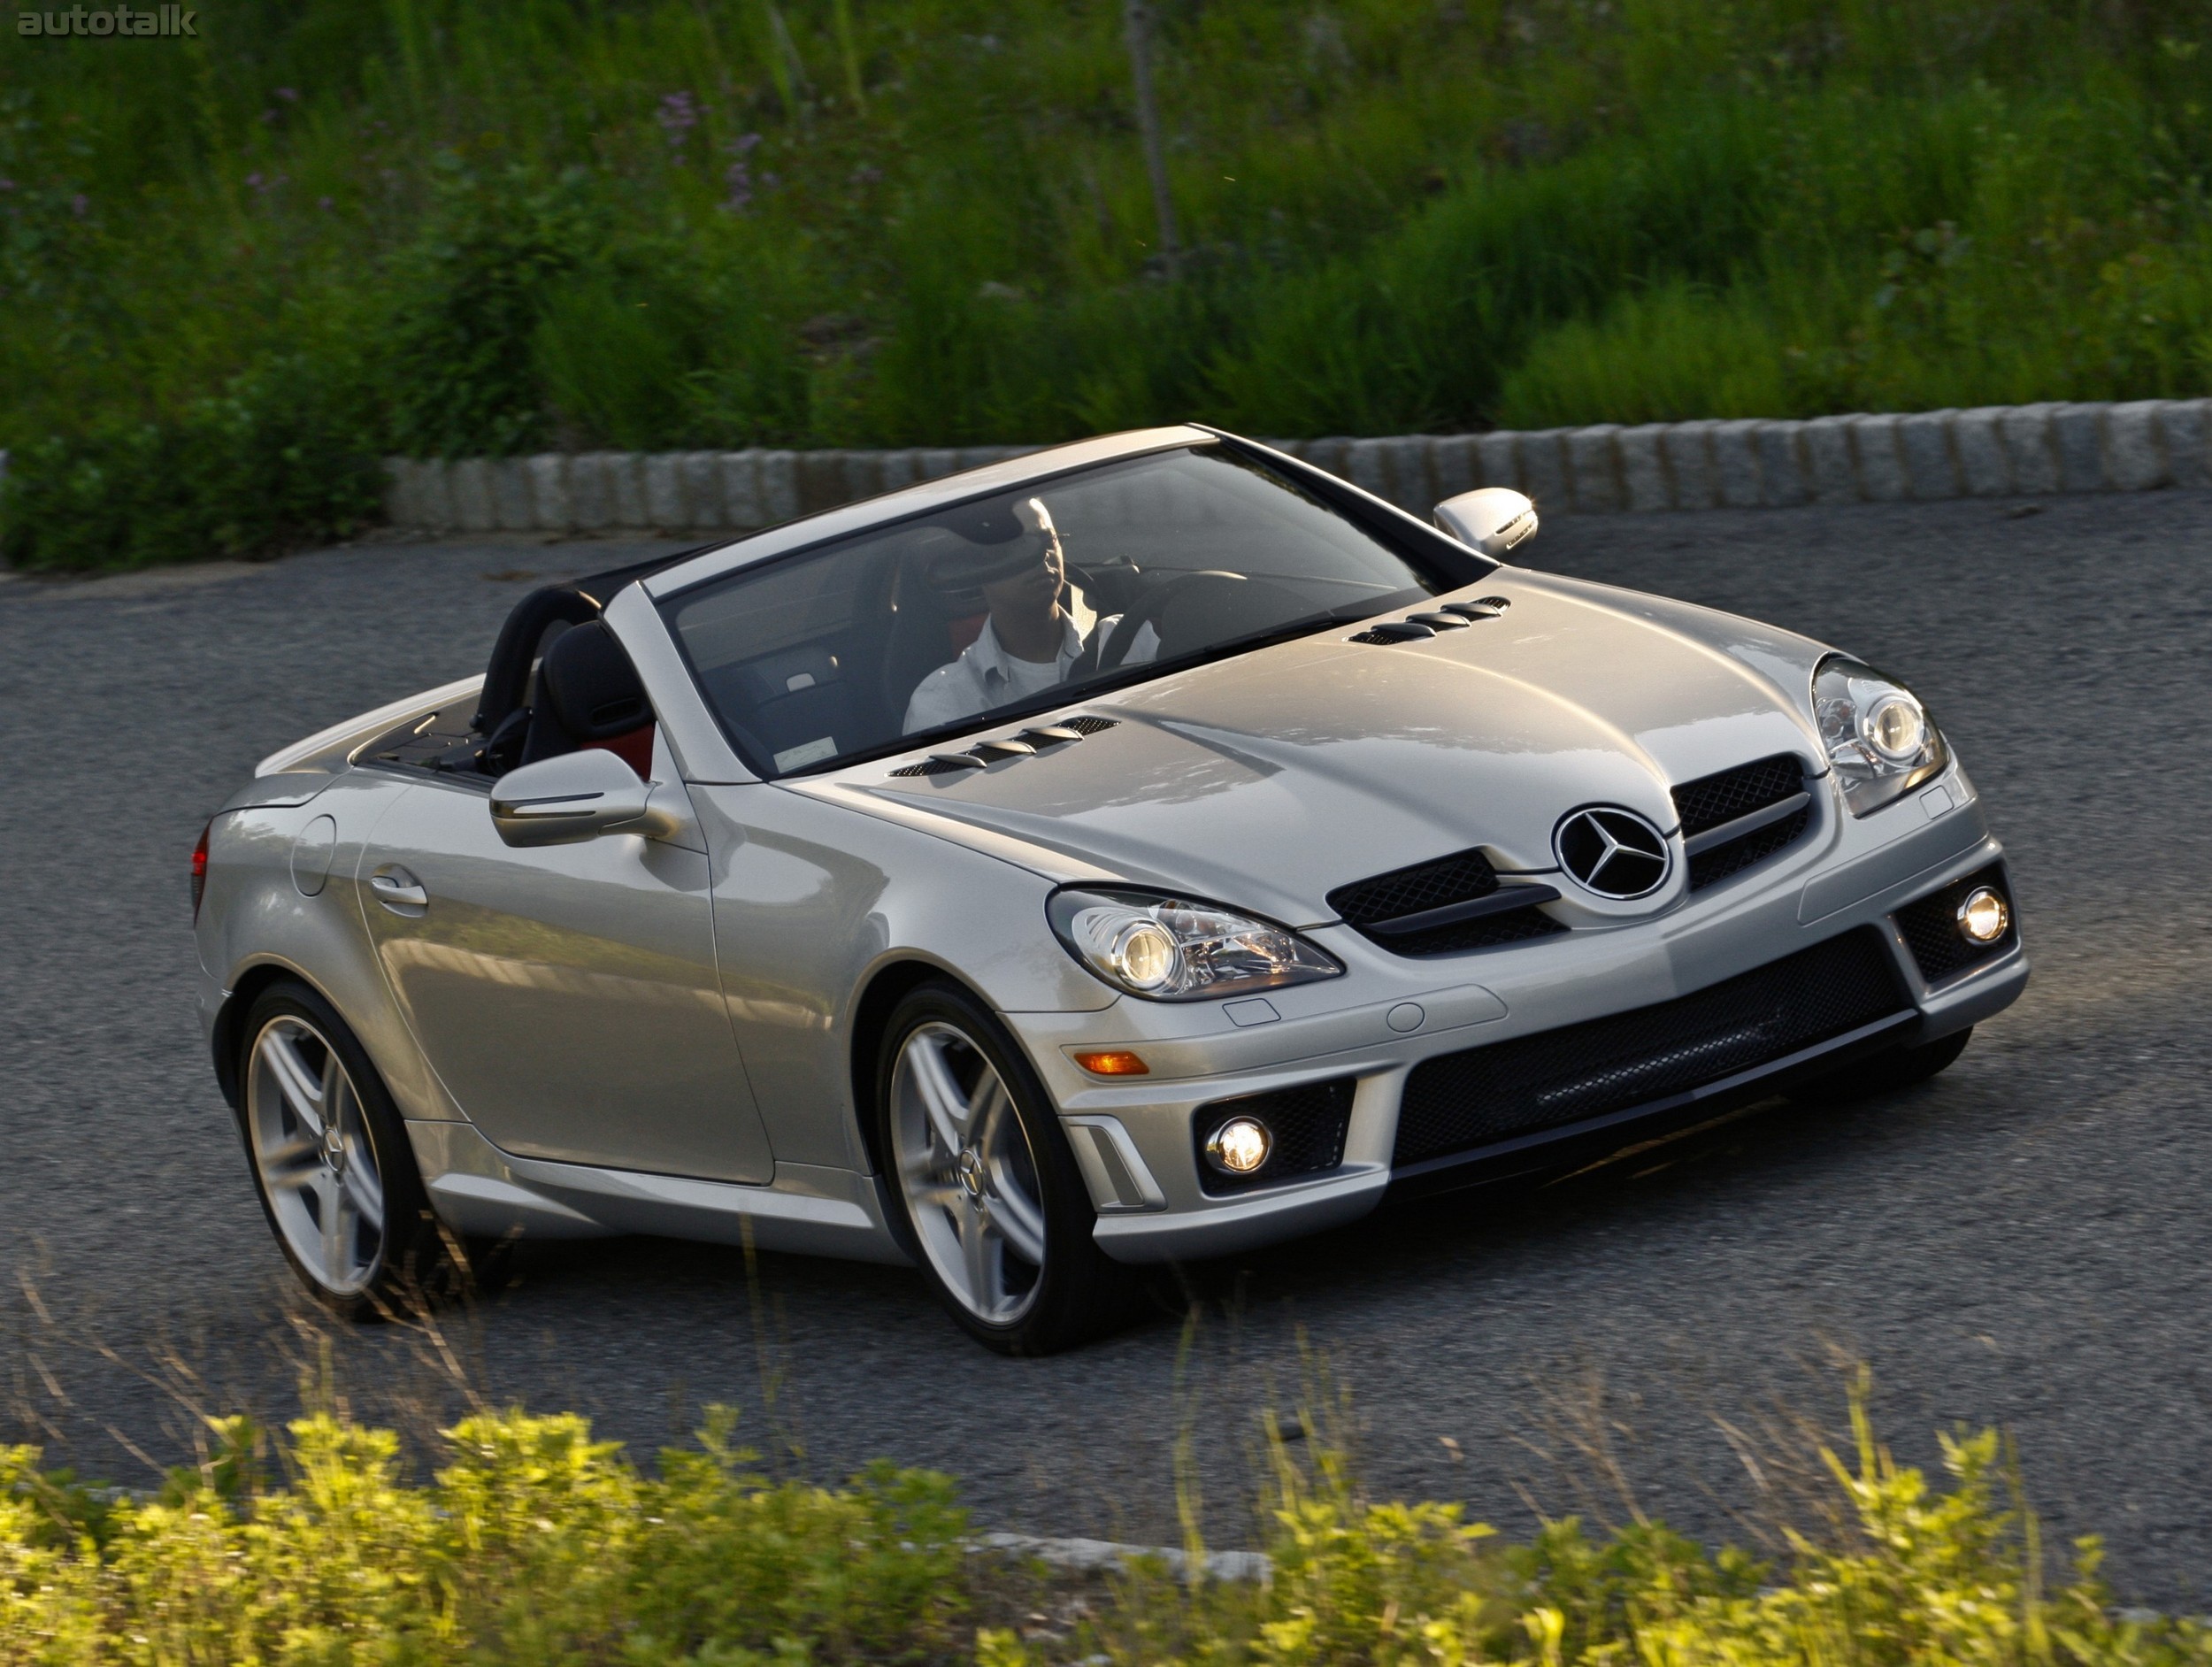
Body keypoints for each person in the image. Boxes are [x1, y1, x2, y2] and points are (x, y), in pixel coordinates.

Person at [902, 496, 1122, 734]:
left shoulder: (1126, 640)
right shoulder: (943, 702)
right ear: (978, 569)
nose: (1041, 556)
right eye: (1016, 548)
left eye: (1048, 540)